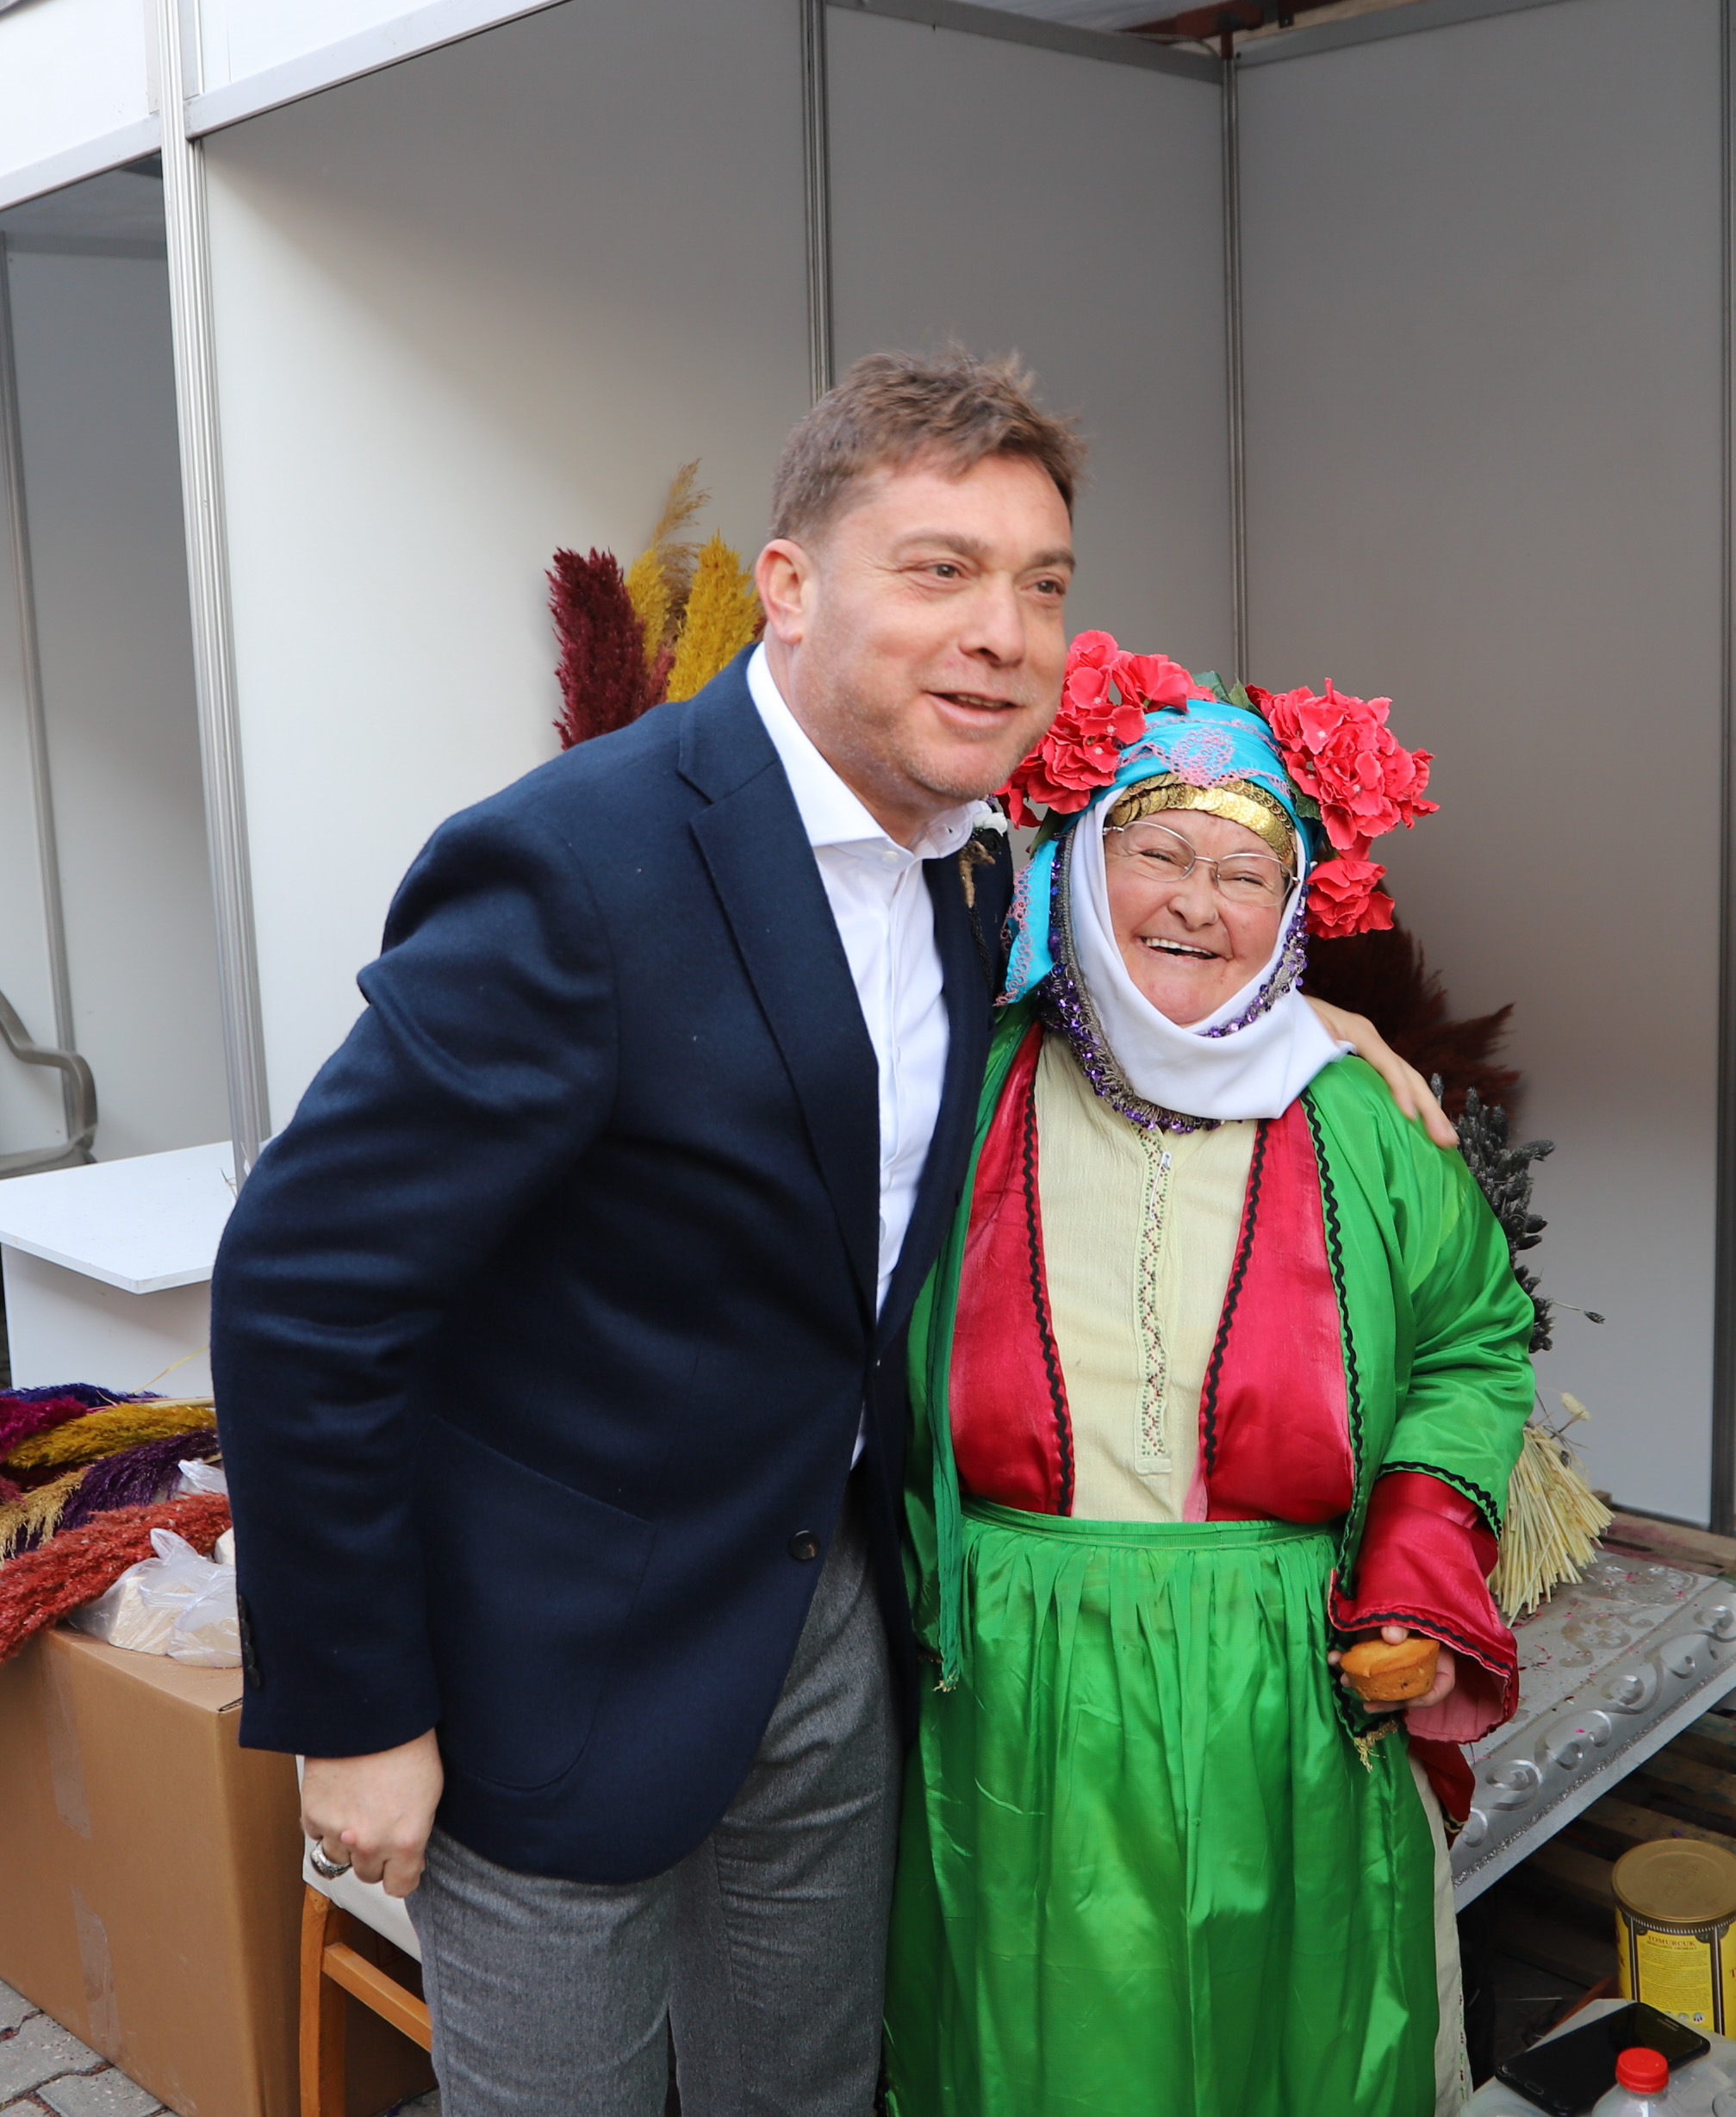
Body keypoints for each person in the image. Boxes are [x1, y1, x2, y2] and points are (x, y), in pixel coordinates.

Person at [210, 352, 1452, 2117]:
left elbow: (1138, 973)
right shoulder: (578, 864)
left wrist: (1293, 1018)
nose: (1002, 634)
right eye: (940, 569)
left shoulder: (972, 865)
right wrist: (353, 1706)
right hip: (547, 1661)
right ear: (788, 587)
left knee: (805, 2094)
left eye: (1042, 586)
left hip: (827, 1627)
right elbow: (306, 1291)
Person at [883, 638, 1535, 2117]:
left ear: (1291, 912)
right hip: (1019, 1681)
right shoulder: (954, 1092)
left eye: (1246, 874)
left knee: (1292, 2049)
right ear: (1074, 869)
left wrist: (1417, 1576)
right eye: (1158, 853)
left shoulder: (1363, 1123)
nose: (1197, 903)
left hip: (1291, 1681)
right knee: (1039, 2057)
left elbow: (1472, 1342)